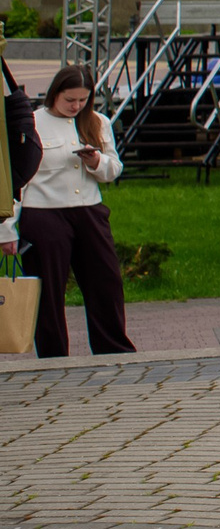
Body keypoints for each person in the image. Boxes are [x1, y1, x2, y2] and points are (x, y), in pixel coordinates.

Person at [0, 64, 132, 357]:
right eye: (70, 99)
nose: (76, 106)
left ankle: (114, 350)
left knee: (106, 283)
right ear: (55, 94)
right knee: (48, 291)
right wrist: (6, 230)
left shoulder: (98, 122)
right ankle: (53, 356)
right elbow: (16, 180)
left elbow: (114, 169)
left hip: (89, 211)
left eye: (83, 100)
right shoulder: (32, 122)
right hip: (44, 214)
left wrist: (96, 161)